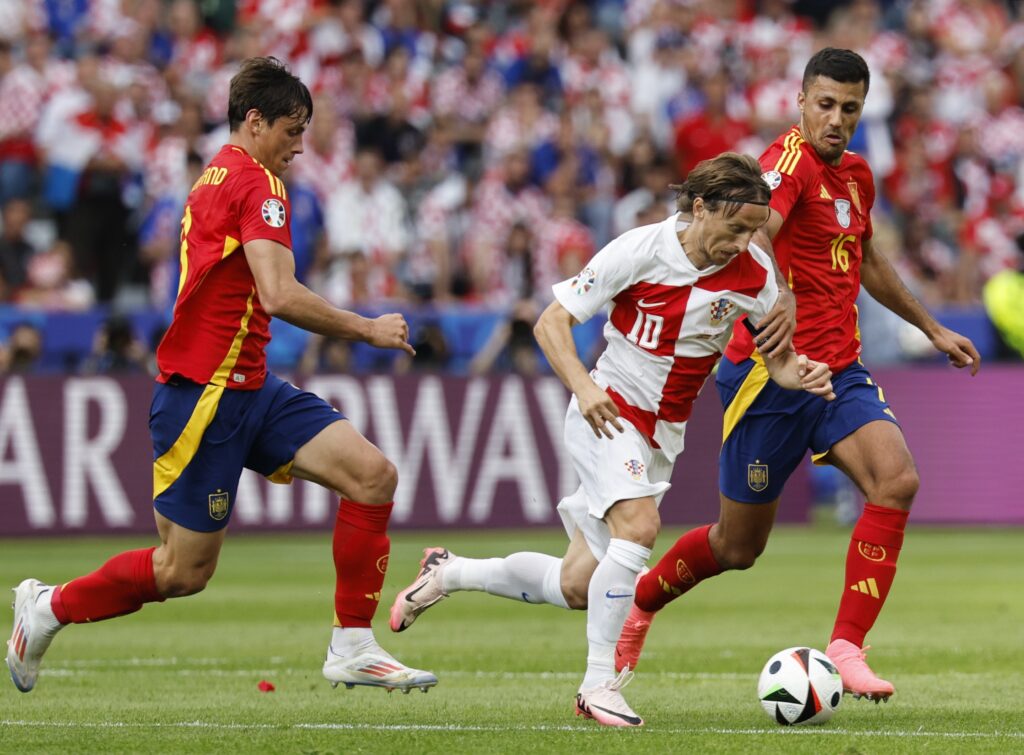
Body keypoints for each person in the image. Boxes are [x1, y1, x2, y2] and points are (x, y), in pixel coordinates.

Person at [6, 57, 437, 695]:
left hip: (249, 385)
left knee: (373, 476)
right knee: (182, 571)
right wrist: (367, 327)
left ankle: (352, 643)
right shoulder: (257, 184)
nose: (299, 144)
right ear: (255, 121)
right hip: (204, 397)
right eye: (291, 130)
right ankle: (47, 607)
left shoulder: (215, 173)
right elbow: (279, 294)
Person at [388, 153, 835, 727]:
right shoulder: (639, 251)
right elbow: (551, 323)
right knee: (640, 529)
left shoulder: (754, 273)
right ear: (700, 207)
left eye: (754, 229)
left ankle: (448, 573)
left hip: (661, 437)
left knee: (577, 584)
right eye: (736, 227)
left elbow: (776, 358)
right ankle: (598, 686)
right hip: (609, 409)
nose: (745, 241)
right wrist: (583, 386)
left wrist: (796, 373)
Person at [614, 48, 982, 702]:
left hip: (838, 369)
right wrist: (777, 289)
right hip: (769, 374)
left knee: (897, 480)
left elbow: (866, 261)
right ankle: (639, 602)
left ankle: (847, 646)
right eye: (826, 104)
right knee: (737, 546)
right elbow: (755, 233)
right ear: (801, 100)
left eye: (850, 108)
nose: (836, 119)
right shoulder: (785, 165)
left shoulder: (859, 176)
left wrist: (930, 326)